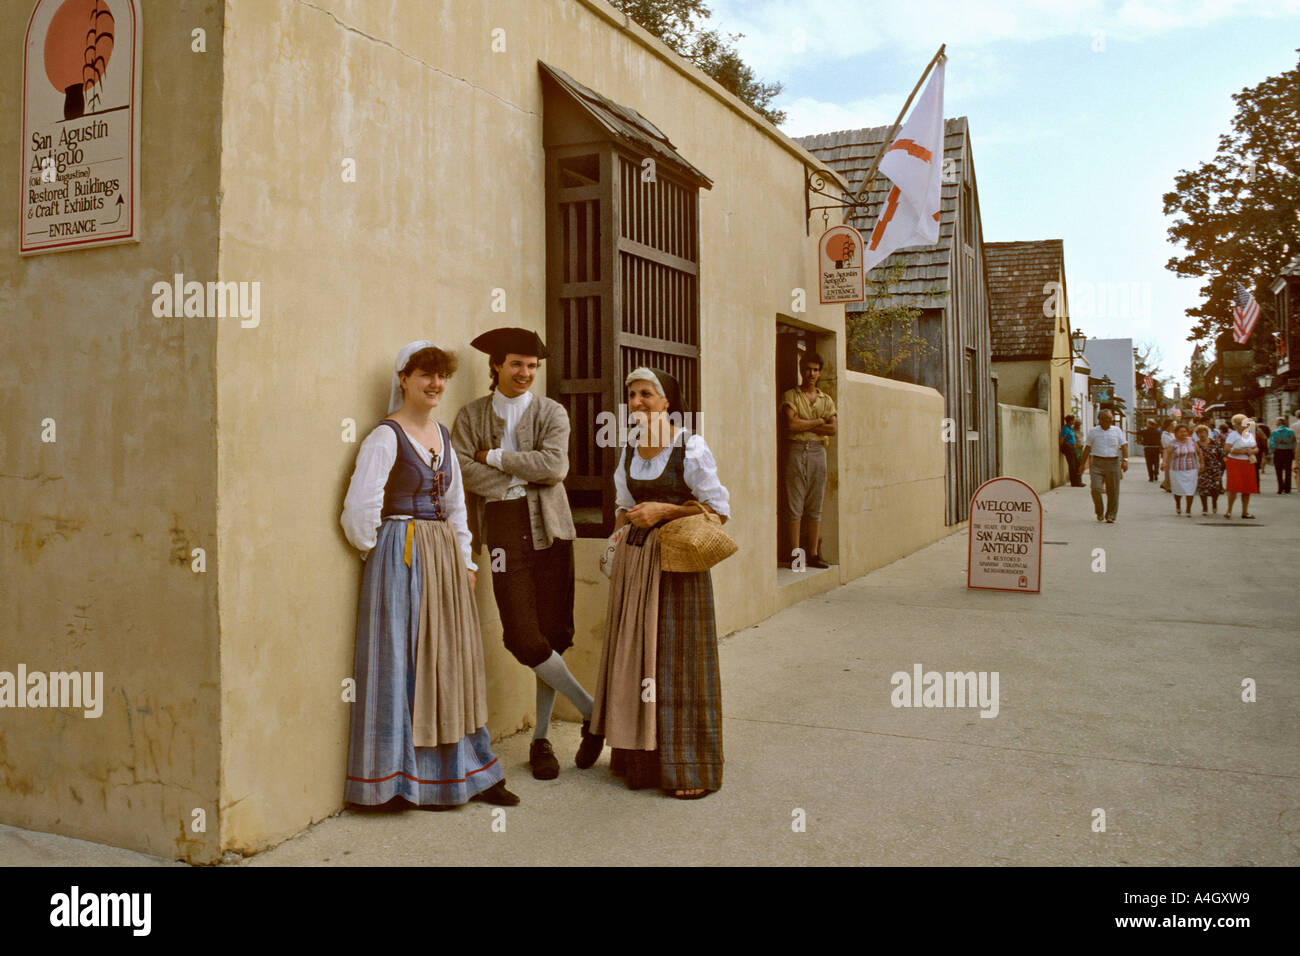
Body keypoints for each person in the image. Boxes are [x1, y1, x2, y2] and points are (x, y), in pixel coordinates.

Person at [340, 341, 518, 811]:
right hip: (401, 554)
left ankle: (471, 771)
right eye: (425, 375)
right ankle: (394, 782)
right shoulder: (385, 438)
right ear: (403, 378)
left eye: (441, 376)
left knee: (449, 662)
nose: (436, 384)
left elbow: (457, 507)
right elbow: (359, 511)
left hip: (443, 556)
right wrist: (380, 555)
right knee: (401, 663)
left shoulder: (441, 435)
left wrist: (466, 561)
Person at [450, 326, 601, 781]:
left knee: (551, 636)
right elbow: (460, 467)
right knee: (521, 635)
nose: (525, 373)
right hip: (501, 531)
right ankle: (593, 711)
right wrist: (518, 479)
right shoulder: (471, 415)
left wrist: (495, 457)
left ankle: (541, 739)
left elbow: (555, 467)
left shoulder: (552, 411)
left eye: (532, 366)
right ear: (496, 366)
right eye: (516, 364)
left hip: (551, 531)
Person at [590, 367, 731, 799]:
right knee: (639, 659)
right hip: (637, 566)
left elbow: (718, 509)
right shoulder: (629, 448)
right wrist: (616, 550)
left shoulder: (690, 446)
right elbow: (623, 506)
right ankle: (641, 761)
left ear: (667, 402)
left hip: (679, 569)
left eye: (647, 394)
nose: (637, 403)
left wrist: (664, 512)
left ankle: (689, 767)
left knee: (677, 661)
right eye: (631, 395)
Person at [780, 352, 837, 566]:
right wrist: (819, 420)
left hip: (818, 451)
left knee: (815, 504)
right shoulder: (791, 396)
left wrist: (807, 421)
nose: (811, 373)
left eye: (815, 370)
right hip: (796, 449)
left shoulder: (826, 399)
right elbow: (792, 425)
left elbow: (832, 429)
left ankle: (812, 553)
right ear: (802, 370)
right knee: (795, 504)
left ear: (820, 372)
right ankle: (796, 554)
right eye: (808, 369)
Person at [1080, 409, 1128, 523]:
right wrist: (1082, 464)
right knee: (1095, 489)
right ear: (1100, 420)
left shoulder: (1117, 431)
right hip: (1097, 463)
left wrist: (1125, 460)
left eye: (1111, 419)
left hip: (1113, 462)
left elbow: (1124, 445)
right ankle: (1099, 511)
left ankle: (1111, 514)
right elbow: (1087, 448)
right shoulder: (1093, 432)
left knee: (1113, 491)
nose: (1109, 421)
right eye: (1107, 418)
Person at [1162, 422, 1203, 516]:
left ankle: (1188, 509)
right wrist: (1164, 462)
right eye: (1181, 432)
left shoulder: (1192, 440)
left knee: (1190, 490)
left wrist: (1202, 463)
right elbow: (1167, 452)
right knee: (1177, 490)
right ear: (1176, 433)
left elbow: (1199, 452)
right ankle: (1178, 505)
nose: (1183, 434)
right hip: (1177, 470)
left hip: (1191, 469)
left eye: (1185, 432)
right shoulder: (1173, 442)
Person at [1224, 417, 1259, 519]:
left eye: (1245, 423)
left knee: (1247, 488)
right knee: (1233, 487)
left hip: (1248, 462)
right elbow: (1227, 448)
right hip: (1235, 462)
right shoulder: (1232, 435)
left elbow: (1256, 448)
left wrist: (1252, 451)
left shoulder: (1249, 435)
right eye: (1239, 424)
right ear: (1235, 425)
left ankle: (1245, 511)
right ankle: (1229, 510)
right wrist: (1241, 452)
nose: (1243, 426)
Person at [1195, 424, 1225, 514]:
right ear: (1197, 434)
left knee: (1215, 488)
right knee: (1203, 489)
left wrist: (1221, 467)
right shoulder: (1196, 444)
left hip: (1215, 469)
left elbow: (1221, 455)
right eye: (1199, 433)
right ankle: (1204, 508)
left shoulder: (1214, 443)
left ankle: (1214, 504)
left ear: (1207, 433)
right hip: (1202, 469)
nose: (1202, 434)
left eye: (1203, 432)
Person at [1269, 417, 1296, 494]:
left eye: (1276, 421)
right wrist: (1293, 450)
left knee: (1278, 471)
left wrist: (1270, 453)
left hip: (1278, 452)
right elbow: (1294, 442)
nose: (1275, 422)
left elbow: (1272, 443)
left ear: (1280, 422)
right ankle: (1288, 488)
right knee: (1288, 470)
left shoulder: (1274, 432)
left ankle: (1280, 488)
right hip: (1288, 452)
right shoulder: (1291, 431)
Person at [1060, 414, 1084, 486]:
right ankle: (1074, 482)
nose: (1074, 421)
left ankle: (1077, 481)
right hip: (1068, 448)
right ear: (1070, 421)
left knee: (1077, 464)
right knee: (1072, 465)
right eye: (1073, 420)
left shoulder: (1070, 428)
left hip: (1073, 448)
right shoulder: (1065, 428)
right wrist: (1062, 447)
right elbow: (1062, 439)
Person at [1159, 419, 1175, 492]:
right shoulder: (1164, 435)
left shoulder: (1172, 434)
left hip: (1174, 453)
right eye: (1171, 425)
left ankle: (1165, 483)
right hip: (1168, 453)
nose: (1173, 426)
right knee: (1168, 470)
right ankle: (1167, 485)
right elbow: (1166, 446)